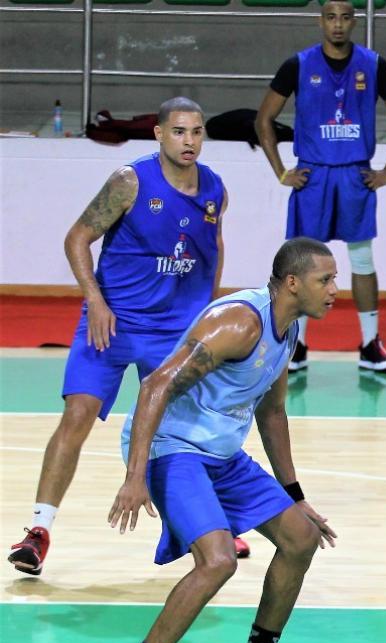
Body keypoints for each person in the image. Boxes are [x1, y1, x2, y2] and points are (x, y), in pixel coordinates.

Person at [6, 97, 254, 576]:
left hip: (172, 331)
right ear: (159, 134)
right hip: (112, 322)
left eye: (197, 132)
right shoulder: (129, 181)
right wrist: (95, 300)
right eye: (179, 131)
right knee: (77, 415)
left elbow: (214, 245)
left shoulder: (215, 189)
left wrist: (209, 307)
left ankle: (214, 524)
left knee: (188, 429)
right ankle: (38, 531)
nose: (189, 141)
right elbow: (77, 238)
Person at [90, 237, 339, 643]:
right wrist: (135, 476)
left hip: (221, 455)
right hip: (171, 446)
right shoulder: (240, 323)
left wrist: (295, 495)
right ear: (292, 282)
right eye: (324, 280)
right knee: (218, 559)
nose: (333, 290)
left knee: (300, 537)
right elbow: (155, 386)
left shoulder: (287, 331)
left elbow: (272, 413)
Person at [255, 0, 386, 376]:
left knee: (362, 261)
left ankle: (370, 345)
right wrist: (281, 172)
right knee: (303, 264)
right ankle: (296, 346)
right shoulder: (298, 64)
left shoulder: (373, 64)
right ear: (321, 21)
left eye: (344, 18)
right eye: (331, 17)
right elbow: (263, 120)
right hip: (314, 176)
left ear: (354, 22)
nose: (338, 24)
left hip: (354, 174)